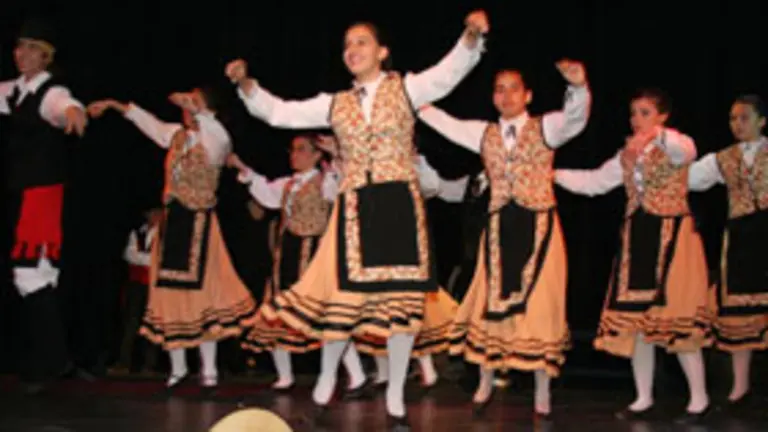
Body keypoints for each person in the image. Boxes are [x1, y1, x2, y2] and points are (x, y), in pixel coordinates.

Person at [225, 11, 489, 426]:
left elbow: (448, 73)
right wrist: (246, 85)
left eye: (362, 42)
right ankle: (330, 374)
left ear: (382, 52)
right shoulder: (336, 103)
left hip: (399, 203)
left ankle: (397, 393)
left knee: (403, 305)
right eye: (347, 44)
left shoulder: (405, 88)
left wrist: (471, 36)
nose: (352, 50)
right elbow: (279, 113)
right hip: (354, 207)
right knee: (344, 299)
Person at [417, 62, 590, 418]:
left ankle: (543, 391)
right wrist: (413, 99)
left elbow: (574, 119)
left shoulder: (546, 128)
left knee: (542, 308)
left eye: (513, 88)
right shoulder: (485, 133)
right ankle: (485, 381)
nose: (506, 95)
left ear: (527, 95)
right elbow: (444, 123)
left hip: (538, 225)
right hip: (499, 229)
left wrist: (579, 88)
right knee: (489, 305)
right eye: (499, 89)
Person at [554, 89, 711, 423]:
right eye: (633, 113)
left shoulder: (678, 142)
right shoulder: (628, 154)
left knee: (677, 320)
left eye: (644, 112)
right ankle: (643, 397)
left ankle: (699, 399)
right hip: (638, 240)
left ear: (663, 116)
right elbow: (595, 182)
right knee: (637, 324)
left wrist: (657, 135)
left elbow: (685, 154)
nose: (636, 119)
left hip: (672, 237)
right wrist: (553, 175)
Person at [86, 89, 257, 392]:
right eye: (187, 102)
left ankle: (209, 369)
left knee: (206, 295)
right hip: (174, 222)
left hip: (201, 222)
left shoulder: (215, 139)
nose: (186, 107)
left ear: (208, 109)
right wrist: (114, 103)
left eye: (195, 101)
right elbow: (147, 122)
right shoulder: (176, 135)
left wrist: (199, 110)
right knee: (168, 294)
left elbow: (217, 135)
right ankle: (177, 369)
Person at [229, 136, 369, 395]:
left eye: (302, 150)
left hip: (314, 255)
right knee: (279, 312)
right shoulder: (288, 184)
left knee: (325, 316)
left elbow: (346, 181)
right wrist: (241, 167)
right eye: (292, 149)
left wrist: (337, 155)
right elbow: (266, 193)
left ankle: (357, 375)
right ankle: (284, 377)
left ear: (317, 155)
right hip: (286, 255)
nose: (294, 154)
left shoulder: (325, 181)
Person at [0, 18, 88, 394]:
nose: (22, 55)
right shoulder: (8, 91)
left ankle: (52, 362)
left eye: (32, 49)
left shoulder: (51, 91)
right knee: (33, 278)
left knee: (33, 275)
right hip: (17, 193)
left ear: (45, 56)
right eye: (19, 48)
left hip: (40, 194)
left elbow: (63, 105)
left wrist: (74, 113)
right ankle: (55, 360)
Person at [688, 94, 768, 410]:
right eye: (733, 119)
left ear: (762, 120)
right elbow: (689, 178)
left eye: (745, 117)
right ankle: (739, 390)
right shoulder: (724, 158)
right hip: (742, 238)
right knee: (738, 313)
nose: (737, 124)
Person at [112, 207, 163, 374]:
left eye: (158, 213)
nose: (155, 216)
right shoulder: (137, 232)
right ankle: (124, 362)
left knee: (152, 324)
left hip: (155, 286)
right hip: (136, 284)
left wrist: (142, 258)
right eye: (152, 213)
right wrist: (147, 259)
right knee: (130, 323)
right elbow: (128, 254)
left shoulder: (164, 235)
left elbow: (159, 260)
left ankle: (150, 365)